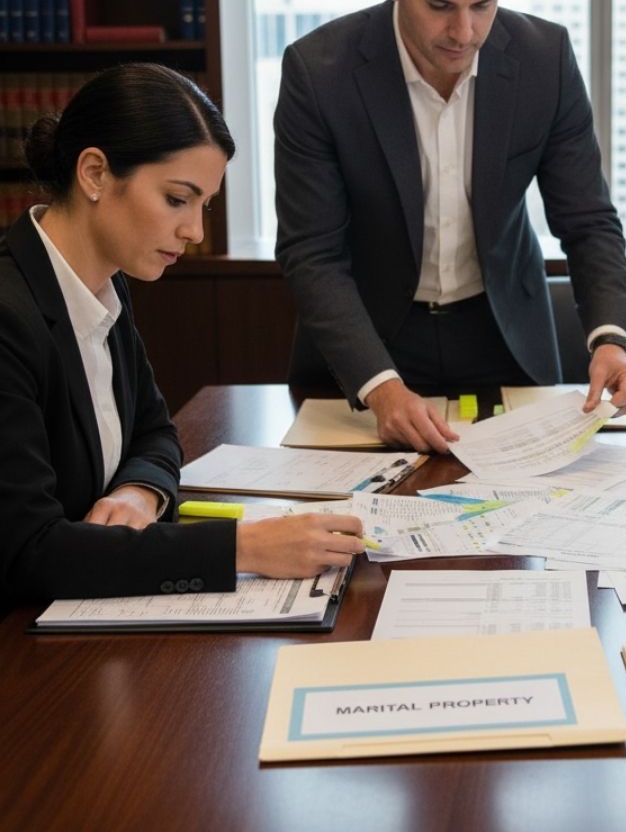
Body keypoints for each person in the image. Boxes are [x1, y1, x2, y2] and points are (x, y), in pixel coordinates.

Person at [275, 0, 626, 453]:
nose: (464, 32)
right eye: (440, 6)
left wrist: (611, 338)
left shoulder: (543, 59)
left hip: (502, 334)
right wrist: (379, 385)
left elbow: (588, 220)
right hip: (368, 343)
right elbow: (312, 251)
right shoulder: (319, 73)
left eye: (484, 4)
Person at [0, 64, 364, 606]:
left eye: (204, 205)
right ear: (95, 173)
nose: (194, 230)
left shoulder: (105, 283)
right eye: (177, 199)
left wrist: (139, 492)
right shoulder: (11, 314)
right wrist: (244, 548)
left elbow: (154, 432)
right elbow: (30, 554)